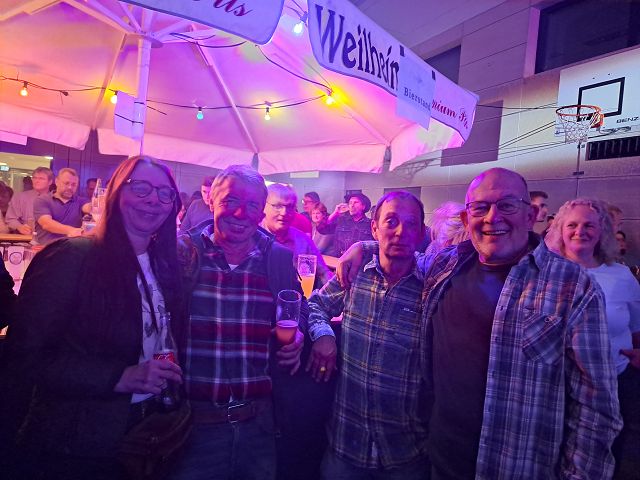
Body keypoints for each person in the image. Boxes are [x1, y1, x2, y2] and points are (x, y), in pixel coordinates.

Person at [338, 168, 622, 479]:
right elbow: (398, 256)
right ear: (466, 219)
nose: (492, 217)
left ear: (530, 216)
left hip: (515, 470)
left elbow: (596, 408)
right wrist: (363, 247)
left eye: (507, 205)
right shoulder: (445, 265)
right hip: (438, 461)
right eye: (480, 207)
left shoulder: (572, 286)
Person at [0, 155, 184, 479]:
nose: (153, 199)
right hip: (75, 444)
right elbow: (24, 357)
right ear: (116, 193)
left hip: (143, 436)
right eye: (141, 188)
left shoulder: (164, 266)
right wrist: (118, 376)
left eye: (164, 193)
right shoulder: (71, 257)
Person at [172, 165, 310, 480]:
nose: (240, 213)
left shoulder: (276, 258)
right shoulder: (183, 254)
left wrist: (300, 331)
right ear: (211, 200)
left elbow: (299, 306)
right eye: (230, 200)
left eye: (251, 205)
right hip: (191, 427)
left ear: (260, 212)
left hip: (258, 427)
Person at [307, 191, 431, 479]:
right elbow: (315, 305)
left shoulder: (432, 280)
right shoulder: (356, 273)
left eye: (411, 224)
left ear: (421, 233)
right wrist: (324, 334)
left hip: (406, 452)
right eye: (391, 221)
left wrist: (362, 245)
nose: (400, 231)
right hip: (346, 445)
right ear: (374, 228)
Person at [545, 198, 640, 479]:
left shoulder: (621, 276)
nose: (580, 231)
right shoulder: (546, 274)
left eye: (589, 225)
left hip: (615, 383)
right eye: (572, 225)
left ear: (602, 231)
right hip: (558, 385)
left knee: (609, 455)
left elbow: (637, 327)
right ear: (560, 230)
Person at [263, 183, 331, 287]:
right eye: (277, 206)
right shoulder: (251, 236)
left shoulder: (303, 241)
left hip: (295, 295)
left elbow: (324, 273)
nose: (284, 212)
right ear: (263, 206)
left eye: (290, 207)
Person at [33, 167, 89, 245]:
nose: (70, 187)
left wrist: (98, 204)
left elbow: (89, 208)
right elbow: (47, 224)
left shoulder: (81, 201)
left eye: (74, 185)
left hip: (71, 249)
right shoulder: (43, 200)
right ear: (57, 181)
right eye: (66, 183)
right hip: (47, 248)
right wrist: (71, 230)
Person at [319, 192, 373, 257]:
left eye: (356, 202)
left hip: (360, 261)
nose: (352, 205)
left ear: (363, 207)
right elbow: (322, 229)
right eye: (350, 203)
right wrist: (335, 213)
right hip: (338, 259)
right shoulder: (341, 220)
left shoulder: (370, 224)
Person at [5, 166, 53, 235]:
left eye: (41, 178)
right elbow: (10, 219)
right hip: (25, 238)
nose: (37, 181)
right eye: (34, 178)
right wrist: (19, 227)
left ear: (50, 182)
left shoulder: (55, 200)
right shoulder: (19, 197)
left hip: (49, 238)